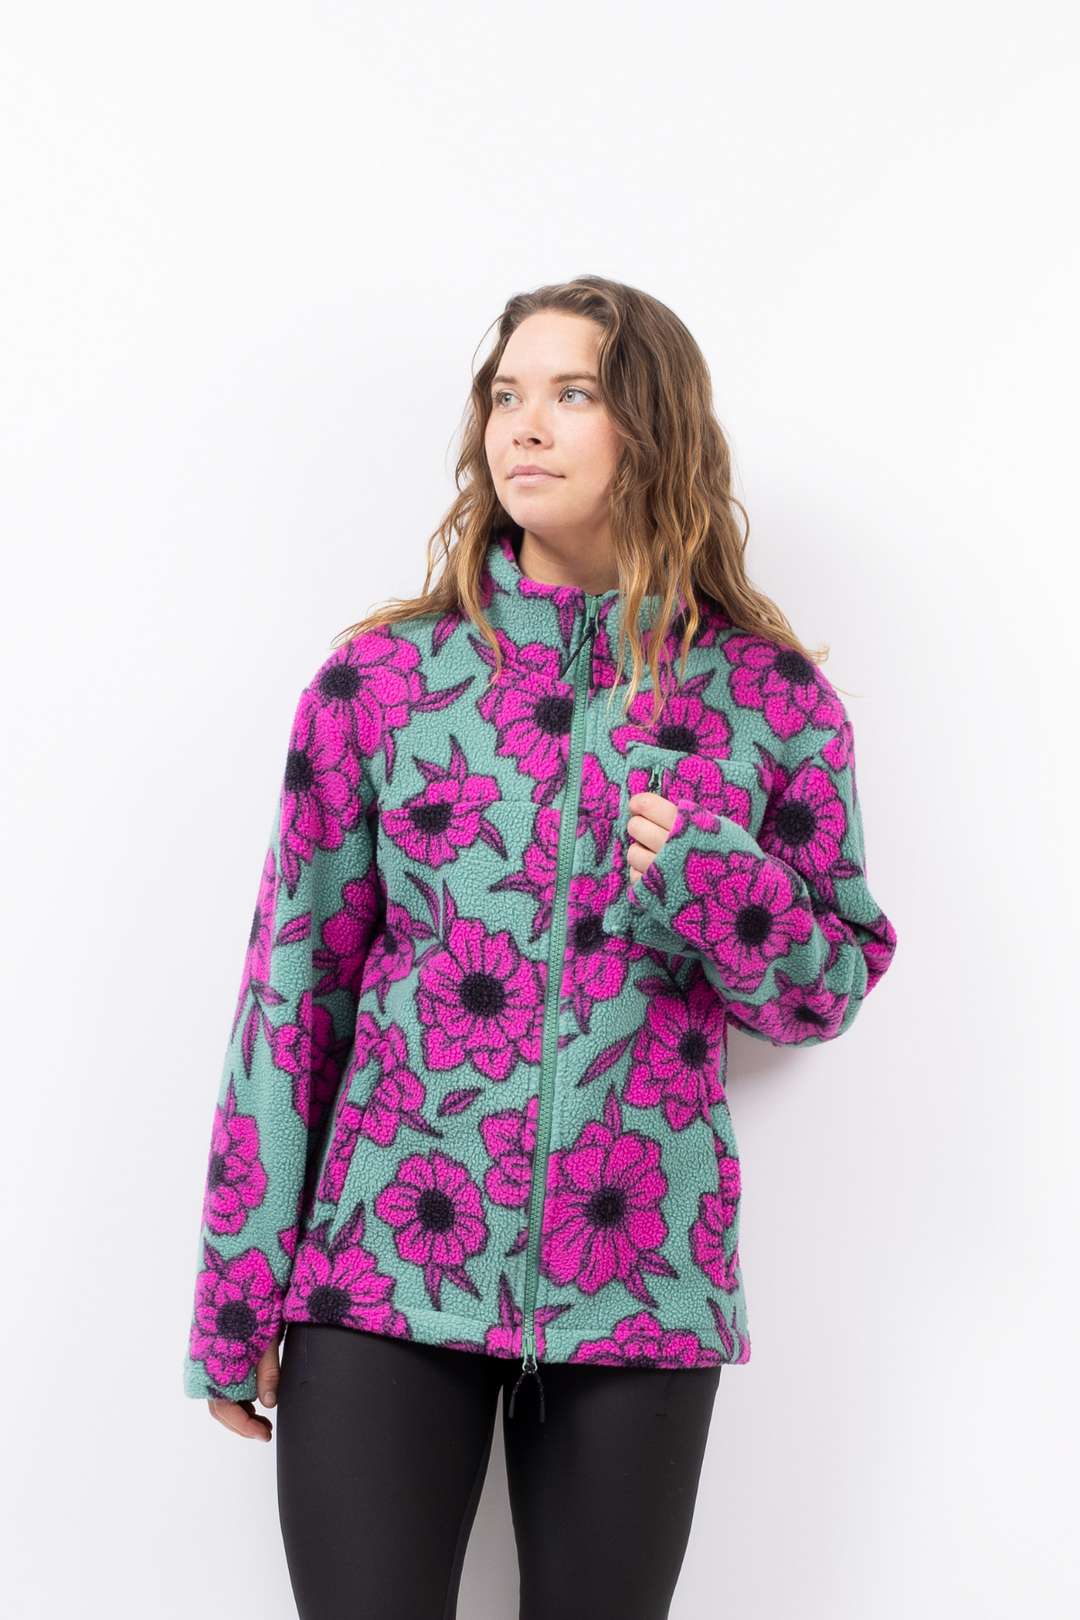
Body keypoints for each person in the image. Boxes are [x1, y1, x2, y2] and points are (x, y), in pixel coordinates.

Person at [184, 275, 896, 1620]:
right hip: (383, 1270)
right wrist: (238, 1286)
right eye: (507, 394)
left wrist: (709, 880)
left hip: (641, 1279)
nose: (525, 424)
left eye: (573, 394)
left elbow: (827, 994)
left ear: (653, 428)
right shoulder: (383, 685)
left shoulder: (769, 699)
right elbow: (291, 992)